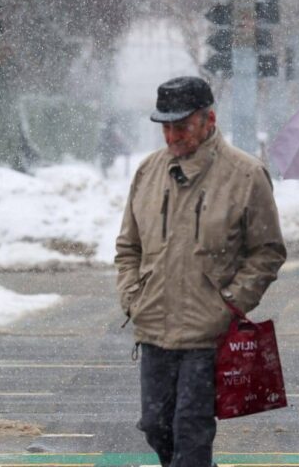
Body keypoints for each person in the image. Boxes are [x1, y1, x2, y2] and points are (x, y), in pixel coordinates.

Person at [115, 76, 286, 467]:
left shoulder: (245, 174)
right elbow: (128, 247)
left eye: (182, 126)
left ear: (208, 119)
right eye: (166, 127)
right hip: (154, 327)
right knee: (157, 426)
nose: (172, 136)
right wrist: (132, 296)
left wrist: (228, 305)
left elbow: (268, 251)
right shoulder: (148, 172)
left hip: (206, 334)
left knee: (192, 435)